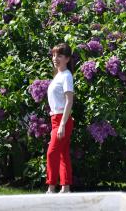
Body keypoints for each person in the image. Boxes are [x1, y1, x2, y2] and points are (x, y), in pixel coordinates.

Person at [46, 43, 75, 193]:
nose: (55, 58)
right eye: (54, 55)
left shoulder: (67, 76)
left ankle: (51, 188)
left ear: (67, 59)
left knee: (52, 153)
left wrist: (63, 124)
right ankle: (65, 187)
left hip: (62, 120)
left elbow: (69, 101)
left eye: (59, 56)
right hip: (55, 119)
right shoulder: (58, 75)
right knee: (63, 154)